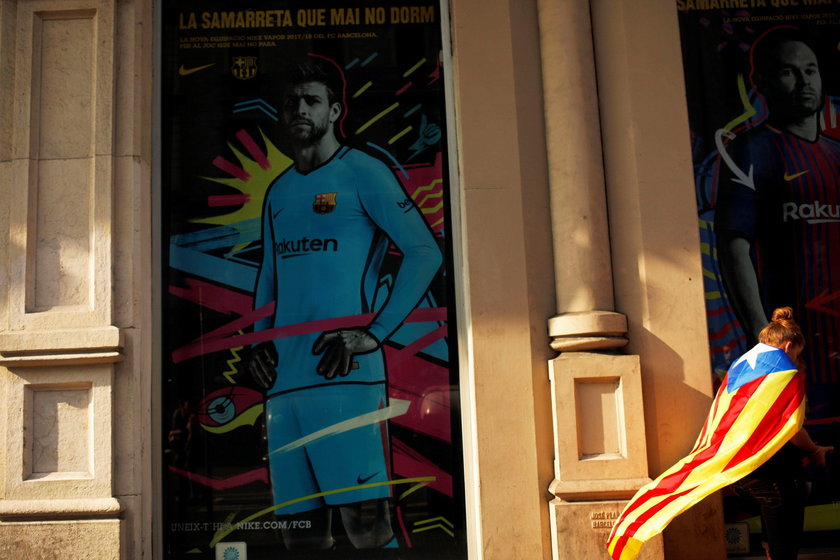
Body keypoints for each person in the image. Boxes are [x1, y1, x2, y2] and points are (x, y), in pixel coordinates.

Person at [244, 56, 442, 550]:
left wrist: (375, 334)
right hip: (284, 386)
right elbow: (270, 277)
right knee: (302, 536)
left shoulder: (363, 172)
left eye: (311, 100)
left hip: (345, 378)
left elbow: (424, 251)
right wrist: (256, 343)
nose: (299, 109)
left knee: (368, 528)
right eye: (291, 102)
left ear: (335, 110)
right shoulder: (280, 191)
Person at [715, 27, 840, 387]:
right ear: (763, 83)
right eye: (788, 72)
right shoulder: (751, 150)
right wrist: (763, 338)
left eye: (810, 70)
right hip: (792, 340)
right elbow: (733, 247)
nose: (803, 81)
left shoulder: (835, 154)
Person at [730, 308, 833, 560]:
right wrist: (814, 450)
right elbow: (791, 429)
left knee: (772, 541)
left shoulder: (744, 367)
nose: (797, 361)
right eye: (798, 355)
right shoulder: (782, 373)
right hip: (775, 473)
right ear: (788, 347)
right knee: (784, 549)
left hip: (743, 469)